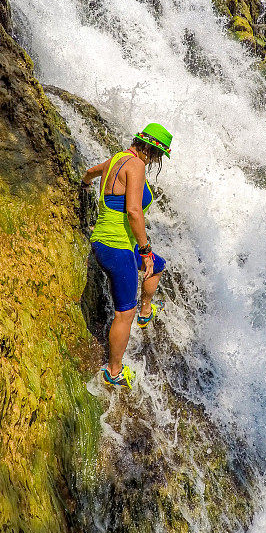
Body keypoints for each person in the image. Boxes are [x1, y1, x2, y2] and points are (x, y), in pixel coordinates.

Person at [80, 123, 172, 389]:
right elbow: (133, 211)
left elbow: (89, 173)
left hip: (104, 241)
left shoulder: (117, 159)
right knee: (124, 312)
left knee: (158, 265)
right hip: (118, 247)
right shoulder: (137, 166)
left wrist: (85, 186)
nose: (155, 160)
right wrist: (144, 250)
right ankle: (114, 371)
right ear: (151, 150)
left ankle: (147, 310)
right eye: (156, 155)